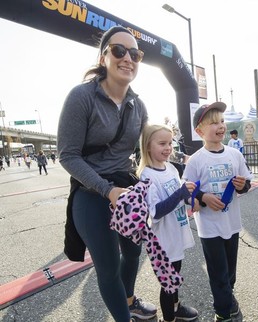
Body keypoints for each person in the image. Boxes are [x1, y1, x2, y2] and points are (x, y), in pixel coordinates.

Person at [57, 25, 157, 321]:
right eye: (119, 50)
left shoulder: (138, 105)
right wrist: (107, 190)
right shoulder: (81, 96)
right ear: (104, 58)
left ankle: (129, 300)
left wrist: (182, 167)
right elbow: (68, 155)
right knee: (109, 265)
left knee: (134, 253)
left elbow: (148, 150)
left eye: (135, 54)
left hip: (126, 188)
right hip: (91, 192)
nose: (128, 58)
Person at [182, 102, 253, 322]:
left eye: (222, 121)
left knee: (230, 272)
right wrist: (203, 197)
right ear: (199, 131)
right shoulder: (196, 160)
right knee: (218, 272)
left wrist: (242, 185)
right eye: (213, 122)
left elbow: (247, 183)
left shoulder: (234, 155)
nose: (220, 126)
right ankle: (222, 313)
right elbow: (187, 191)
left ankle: (227, 298)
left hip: (232, 224)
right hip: (210, 228)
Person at [136, 123, 198, 322]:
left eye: (169, 143)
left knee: (175, 277)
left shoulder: (170, 168)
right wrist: (181, 193)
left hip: (177, 232)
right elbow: (156, 211)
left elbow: (180, 195)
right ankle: (169, 318)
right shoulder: (147, 176)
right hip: (164, 240)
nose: (168, 147)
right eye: (162, 143)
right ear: (147, 146)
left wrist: (191, 199)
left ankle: (176, 308)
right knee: (168, 284)